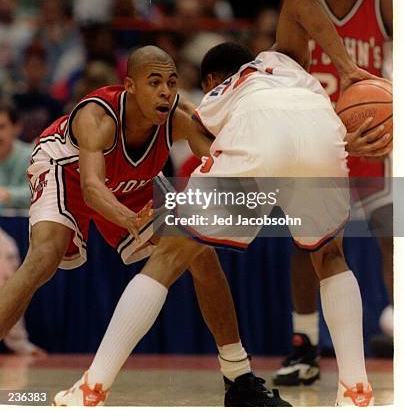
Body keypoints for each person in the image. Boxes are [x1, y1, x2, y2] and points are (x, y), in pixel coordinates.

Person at [55, 0, 385, 407]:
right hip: (323, 130)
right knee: (331, 256)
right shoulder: (286, 62)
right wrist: (350, 71)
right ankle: (356, 389)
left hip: (260, 132)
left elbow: (226, 146)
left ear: (213, 79)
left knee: (170, 256)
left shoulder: (217, 94)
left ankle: (91, 388)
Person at [0, 45, 288, 407]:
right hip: (67, 168)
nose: (166, 91)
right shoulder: (97, 116)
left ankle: (239, 377)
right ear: (130, 86)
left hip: (131, 182)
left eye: (171, 82)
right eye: (154, 82)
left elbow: (224, 161)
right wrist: (127, 219)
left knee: (200, 250)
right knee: (45, 255)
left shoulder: (179, 116)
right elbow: (91, 188)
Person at [273, 0, 393, 386]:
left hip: (374, 141)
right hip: (318, 141)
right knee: (307, 246)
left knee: (393, 237)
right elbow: (282, 62)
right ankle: (304, 347)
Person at [0, 100, 45, 356]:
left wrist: (8, 195)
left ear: (16, 127)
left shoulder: (32, 156)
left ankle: (18, 341)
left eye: (2, 127)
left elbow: (43, 191)